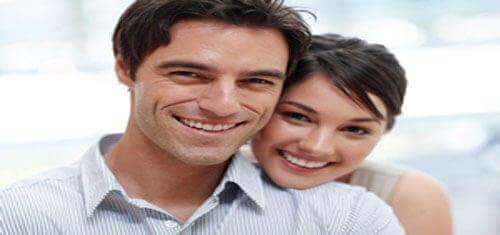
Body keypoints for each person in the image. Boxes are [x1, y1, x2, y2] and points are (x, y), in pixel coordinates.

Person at [0, 1, 404, 234]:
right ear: (126, 69)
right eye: (189, 73)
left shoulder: (347, 218)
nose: (222, 104)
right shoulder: (22, 216)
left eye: (256, 80)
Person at [248, 33, 453, 235]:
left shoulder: (411, 195)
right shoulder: (219, 169)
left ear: (384, 132)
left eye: (355, 130)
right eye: (298, 117)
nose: (316, 147)